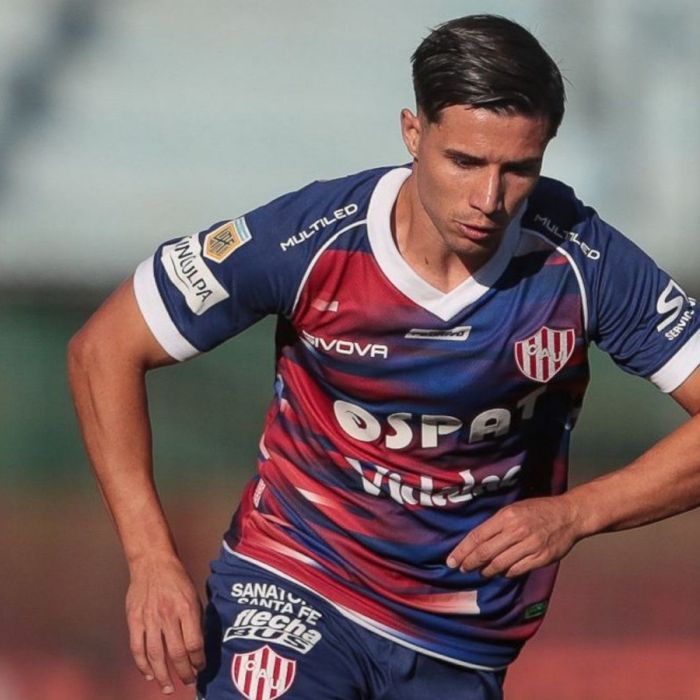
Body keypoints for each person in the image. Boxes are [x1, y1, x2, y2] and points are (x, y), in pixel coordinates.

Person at [68, 14, 700, 700]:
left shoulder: (583, 261)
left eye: (518, 169)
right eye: (465, 162)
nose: (489, 200)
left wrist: (576, 514)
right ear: (413, 133)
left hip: (460, 632)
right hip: (295, 576)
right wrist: (150, 559)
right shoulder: (309, 239)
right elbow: (104, 348)